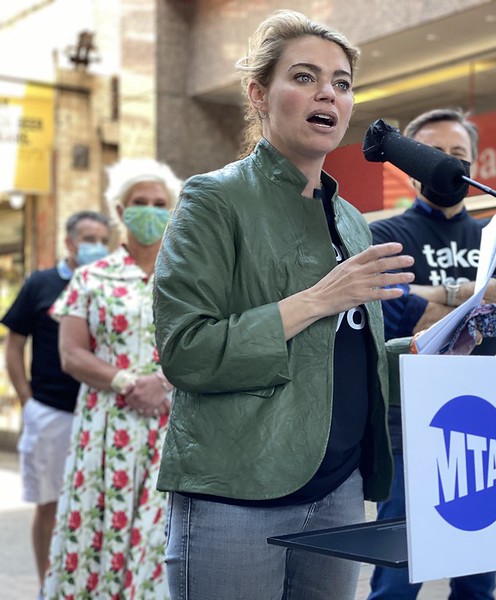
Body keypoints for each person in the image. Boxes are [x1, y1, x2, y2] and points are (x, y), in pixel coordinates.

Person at [152, 10, 413, 600]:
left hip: (339, 488)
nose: (328, 92)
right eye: (304, 76)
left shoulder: (351, 221)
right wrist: (320, 299)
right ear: (258, 94)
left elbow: (343, 354)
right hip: (235, 492)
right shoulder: (213, 199)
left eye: (342, 83)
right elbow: (186, 352)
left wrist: (428, 348)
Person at [368, 108, 496, 600]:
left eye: (459, 155)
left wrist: (436, 295)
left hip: (484, 416)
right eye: (435, 155)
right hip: (407, 417)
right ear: (412, 164)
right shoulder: (382, 235)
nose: (448, 165)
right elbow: (397, 309)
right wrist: (483, 292)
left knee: (478, 578)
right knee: (398, 577)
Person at [41, 159, 182, 599]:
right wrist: (127, 382)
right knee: (97, 529)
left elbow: (211, 340)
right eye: (140, 203)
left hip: (172, 426)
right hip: (106, 429)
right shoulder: (90, 277)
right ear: (120, 211)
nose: (150, 211)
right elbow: (71, 353)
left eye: (160, 204)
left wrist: (164, 382)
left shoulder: (192, 276)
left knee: (161, 540)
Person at [1, 210, 110, 586]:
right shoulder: (41, 283)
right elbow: (14, 345)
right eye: (88, 238)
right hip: (50, 410)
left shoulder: (110, 283)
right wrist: (26, 401)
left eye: (102, 239)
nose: (95, 246)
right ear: (69, 242)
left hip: (101, 412)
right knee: (49, 503)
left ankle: (85, 583)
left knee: (96, 503)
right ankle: (47, 585)